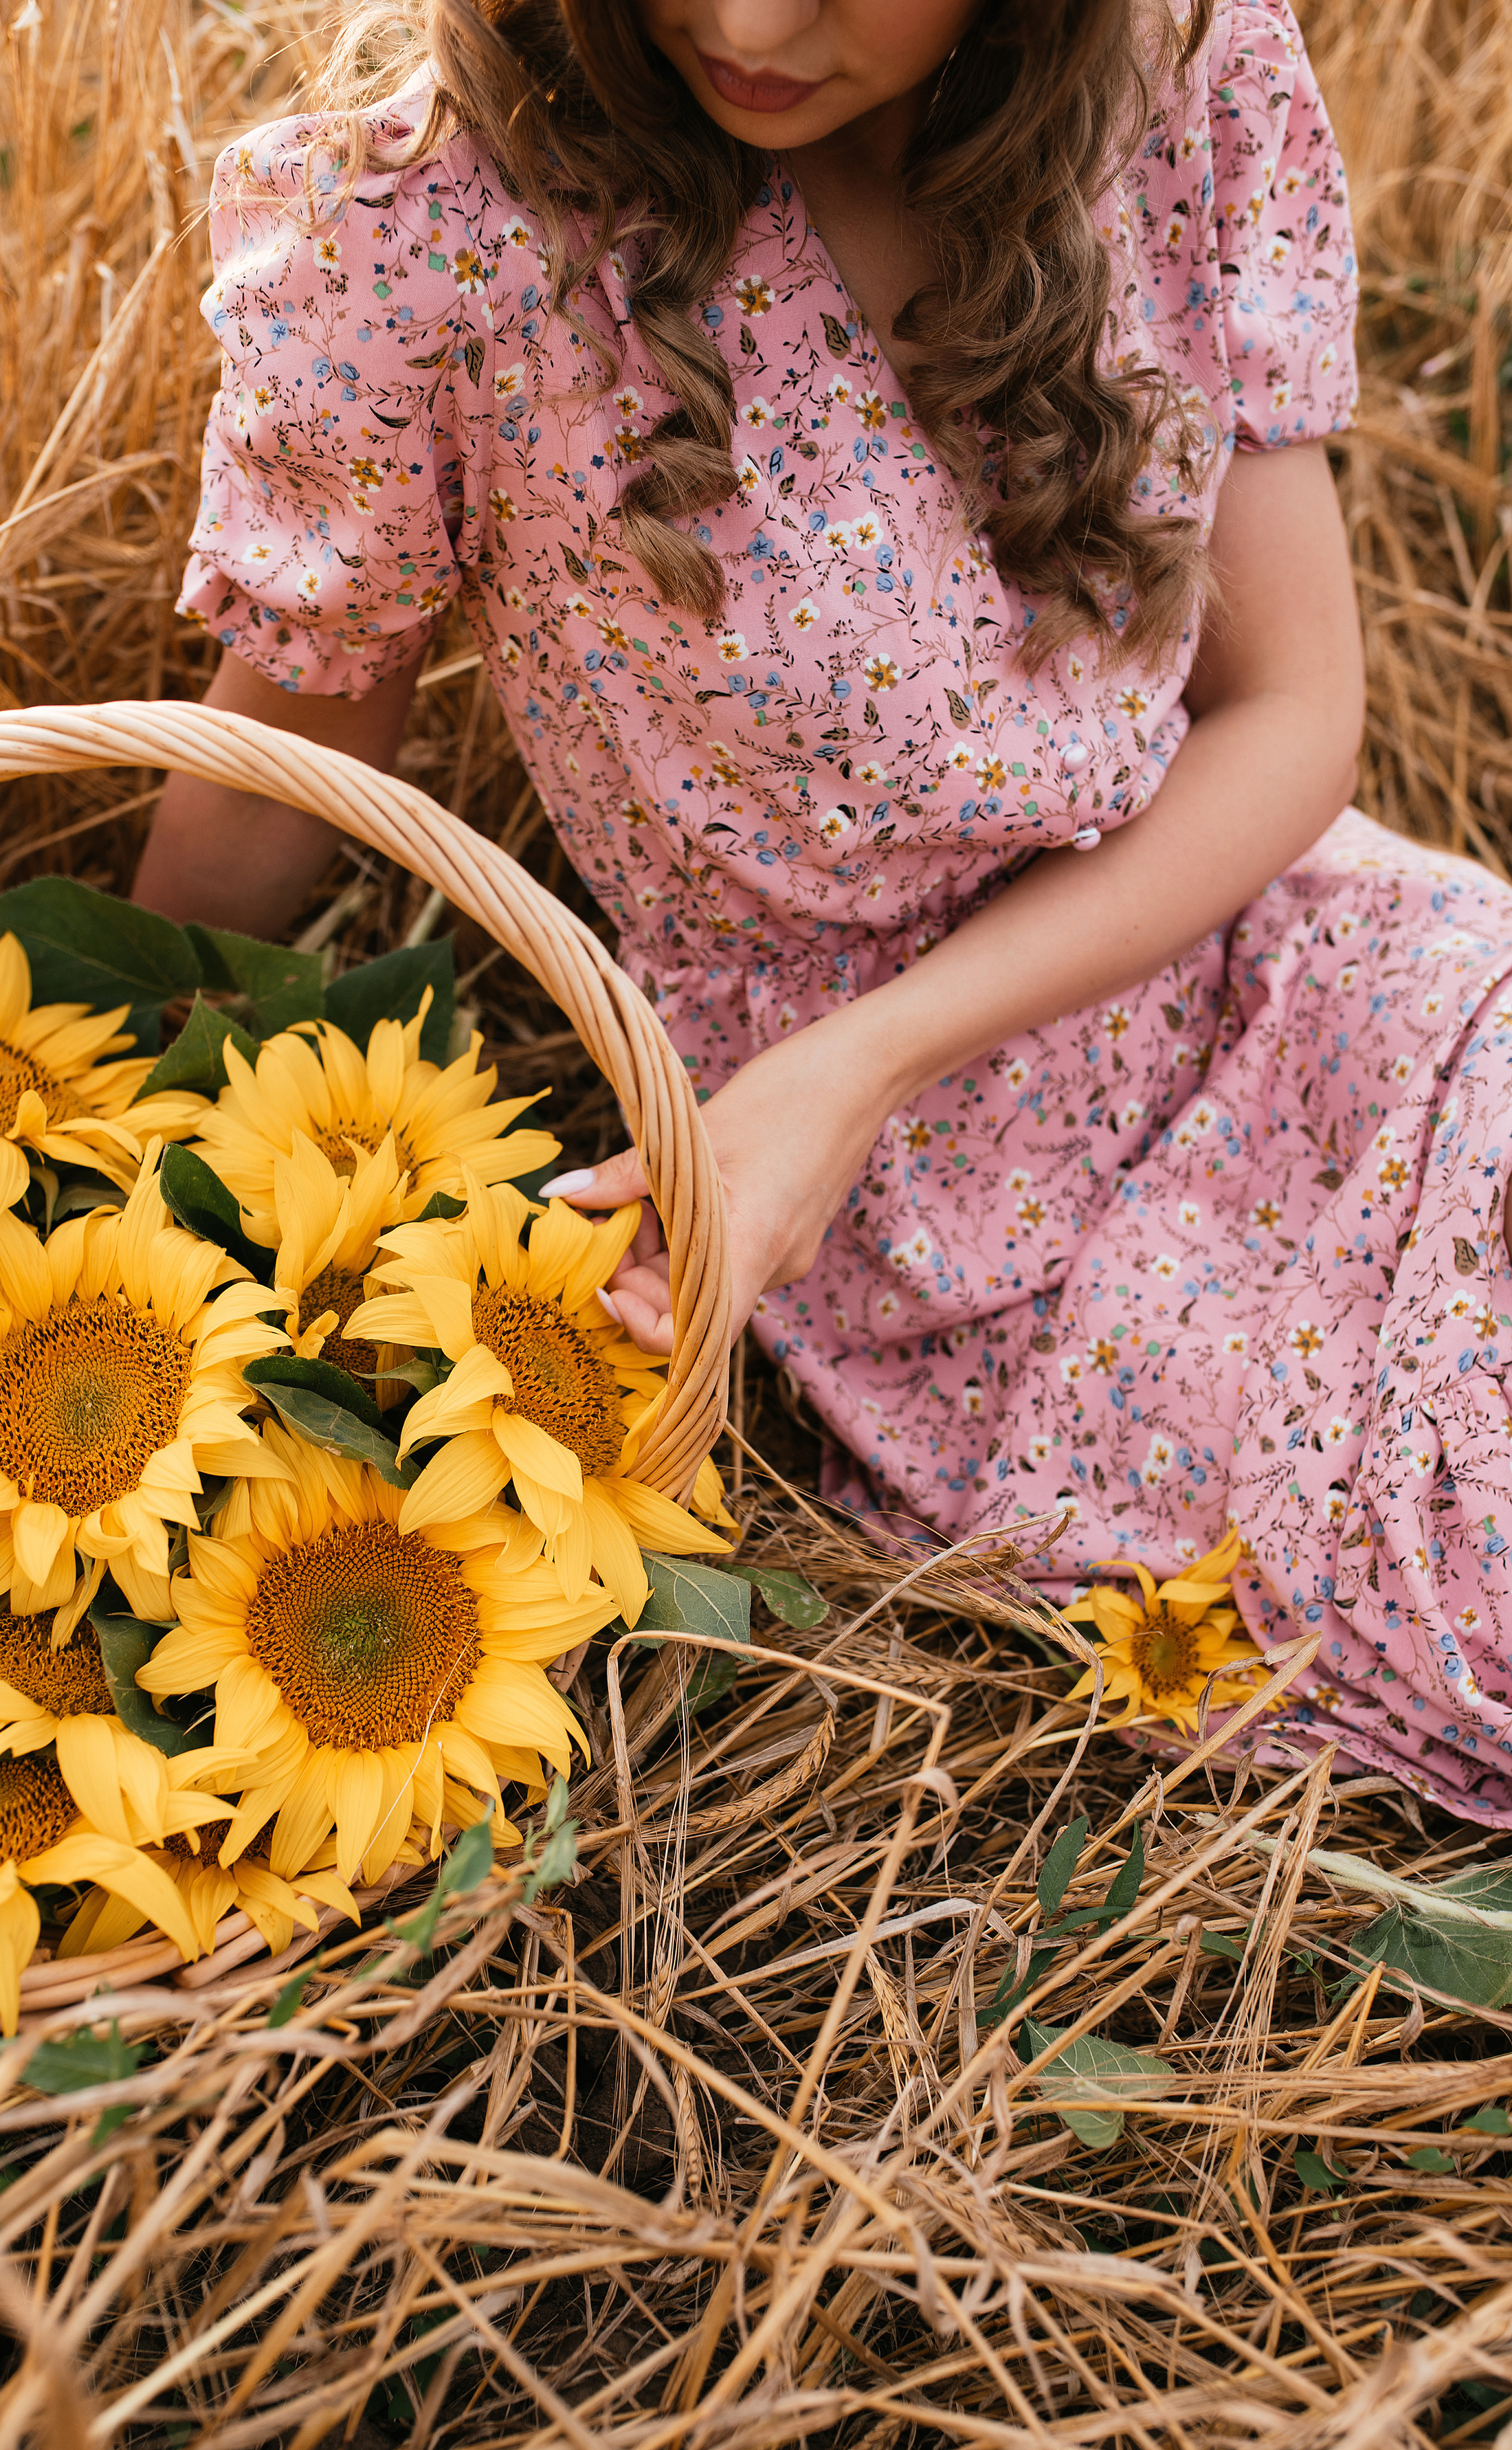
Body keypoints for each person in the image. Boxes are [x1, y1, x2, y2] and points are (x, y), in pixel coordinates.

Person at [136, 0, 1512, 1826]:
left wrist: (865, 1062)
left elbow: (1291, 712)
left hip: (1282, 955)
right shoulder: (438, 227)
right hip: (949, 1234)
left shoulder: (1184, 70)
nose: (747, 22)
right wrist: (94, 1111)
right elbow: (280, 763)